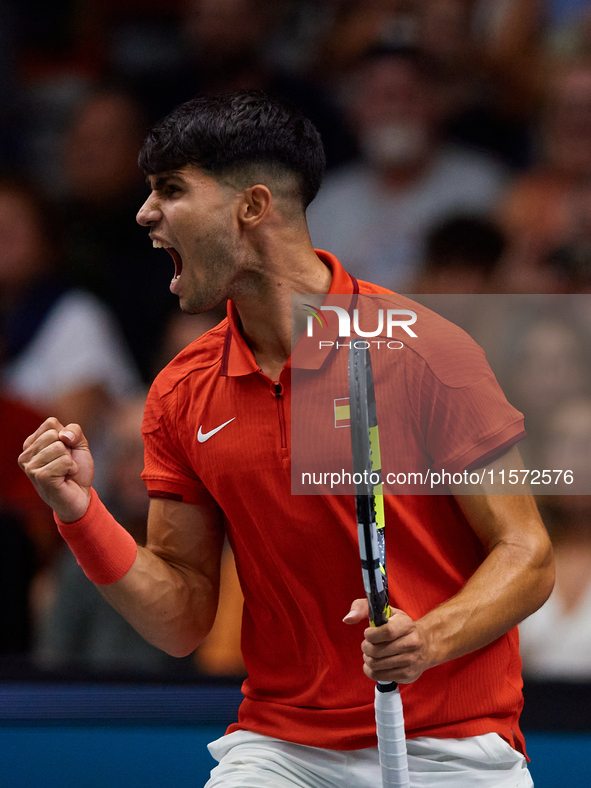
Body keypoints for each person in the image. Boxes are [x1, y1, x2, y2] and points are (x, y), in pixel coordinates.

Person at [19, 91, 554, 787]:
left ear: (252, 206)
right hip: (282, 747)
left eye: (171, 190)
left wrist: (427, 639)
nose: (145, 214)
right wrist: (80, 514)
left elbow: (527, 553)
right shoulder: (180, 393)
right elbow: (182, 618)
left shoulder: (422, 351)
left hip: (450, 745)